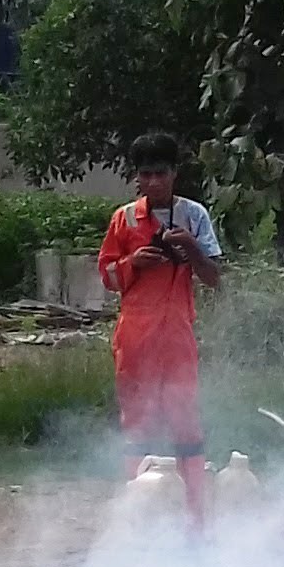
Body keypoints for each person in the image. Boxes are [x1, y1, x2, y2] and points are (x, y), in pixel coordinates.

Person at [95, 133, 225, 521]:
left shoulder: (195, 216)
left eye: (161, 174)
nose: (153, 182)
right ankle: (138, 512)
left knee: (185, 418)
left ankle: (195, 518)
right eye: (145, 175)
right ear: (137, 177)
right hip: (135, 335)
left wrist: (191, 249)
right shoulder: (124, 218)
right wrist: (135, 261)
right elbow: (107, 278)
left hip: (177, 333)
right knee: (136, 419)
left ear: (174, 174)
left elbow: (215, 278)